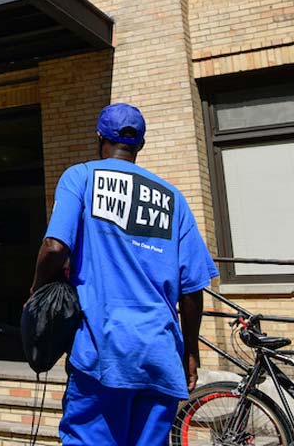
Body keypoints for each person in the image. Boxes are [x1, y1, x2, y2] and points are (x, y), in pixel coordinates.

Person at [30, 103, 217, 446]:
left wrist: (35, 296)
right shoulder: (172, 198)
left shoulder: (82, 177)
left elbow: (55, 247)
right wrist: (190, 352)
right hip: (159, 357)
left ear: (99, 137)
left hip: (103, 352)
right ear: (140, 144)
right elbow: (191, 290)